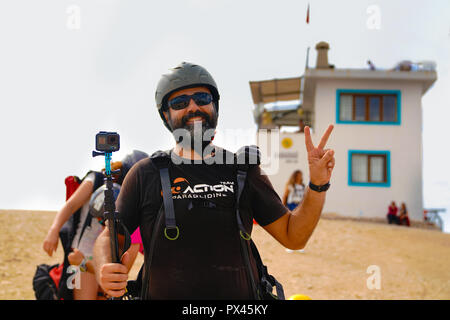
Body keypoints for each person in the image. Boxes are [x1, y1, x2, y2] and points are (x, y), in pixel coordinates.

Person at [93, 62, 336, 299]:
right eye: (179, 103)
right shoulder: (145, 173)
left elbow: (293, 237)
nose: (192, 108)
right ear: (166, 115)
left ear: (215, 107)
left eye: (202, 98)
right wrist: (105, 267)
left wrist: (317, 184)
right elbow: (111, 236)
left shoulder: (243, 170)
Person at [42, 150, 148, 300]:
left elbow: (133, 243)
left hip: (108, 257)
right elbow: (71, 205)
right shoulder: (97, 179)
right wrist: (53, 230)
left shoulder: (134, 200)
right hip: (81, 255)